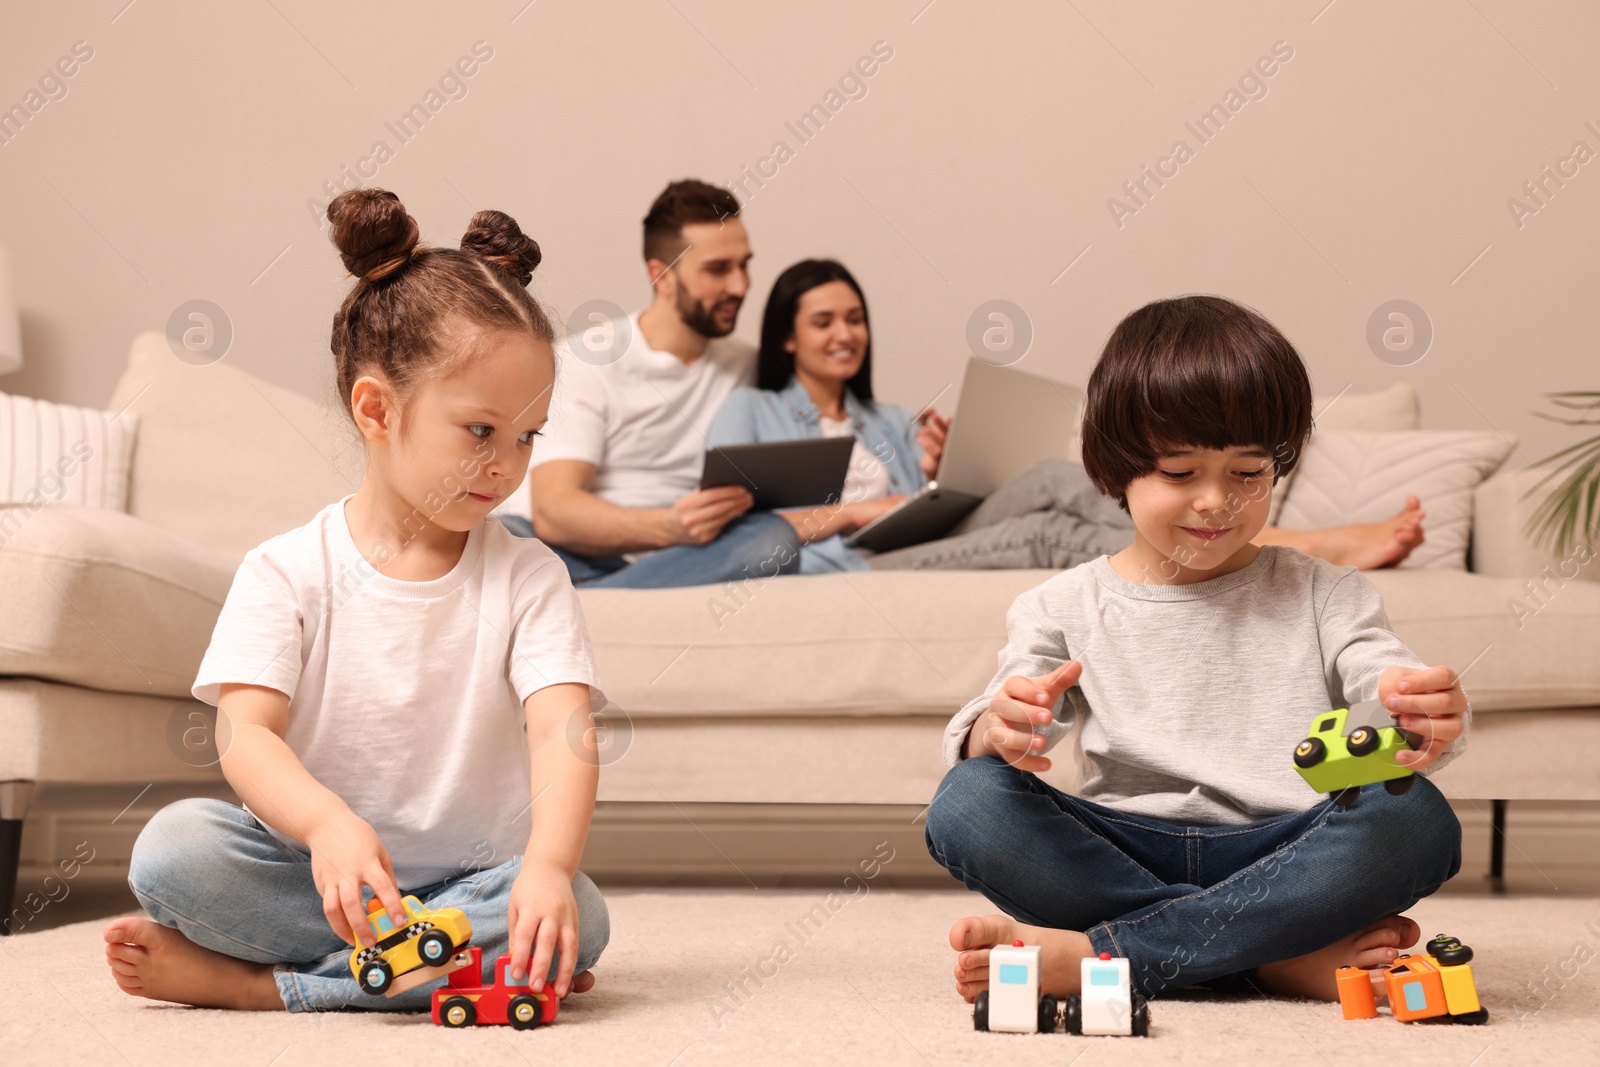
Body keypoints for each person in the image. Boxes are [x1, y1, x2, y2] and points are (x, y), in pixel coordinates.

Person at [103, 189, 609, 1013]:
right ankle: (449, 963)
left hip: (467, 880)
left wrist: (547, 869)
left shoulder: (529, 576)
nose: (509, 463)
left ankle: (269, 986)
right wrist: (329, 826)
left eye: (529, 435)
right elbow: (245, 733)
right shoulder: (284, 569)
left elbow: (563, 730)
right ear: (377, 408)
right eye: (482, 430)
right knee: (172, 852)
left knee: (580, 914)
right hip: (317, 875)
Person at [924, 295, 1468, 1006]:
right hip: (1123, 848)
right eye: (1180, 473)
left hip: (1286, 846)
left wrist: (1419, 709)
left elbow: (1383, 677)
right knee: (966, 802)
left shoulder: (1328, 593)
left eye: (1248, 473)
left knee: (1416, 818)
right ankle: (1267, 956)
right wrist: (997, 727)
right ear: (1116, 470)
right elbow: (1002, 721)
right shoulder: (1060, 603)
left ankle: (1104, 956)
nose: (1216, 501)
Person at [709, 259, 1427, 574]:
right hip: (849, 560)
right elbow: (734, 525)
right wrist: (850, 514)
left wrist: (937, 470)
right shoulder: (752, 408)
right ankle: (1282, 546)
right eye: (824, 320)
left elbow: (924, 503)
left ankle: (1266, 540)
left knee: (1053, 472)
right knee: (1050, 531)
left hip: (913, 532)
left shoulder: (888, 416)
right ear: (785, 335)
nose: (845, 333)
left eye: (856, 318)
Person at [511, 179, 802, 588]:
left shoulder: (750, 367)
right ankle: (615, 600)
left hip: (686, 559)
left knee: (774, 539)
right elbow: (556, 511)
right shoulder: (587, 359)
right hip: (579, 555)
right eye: (718, 269)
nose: (741, 286)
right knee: (503, 535)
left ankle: (593, 607)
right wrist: (673, 525)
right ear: (661, 276)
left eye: (744, 265)